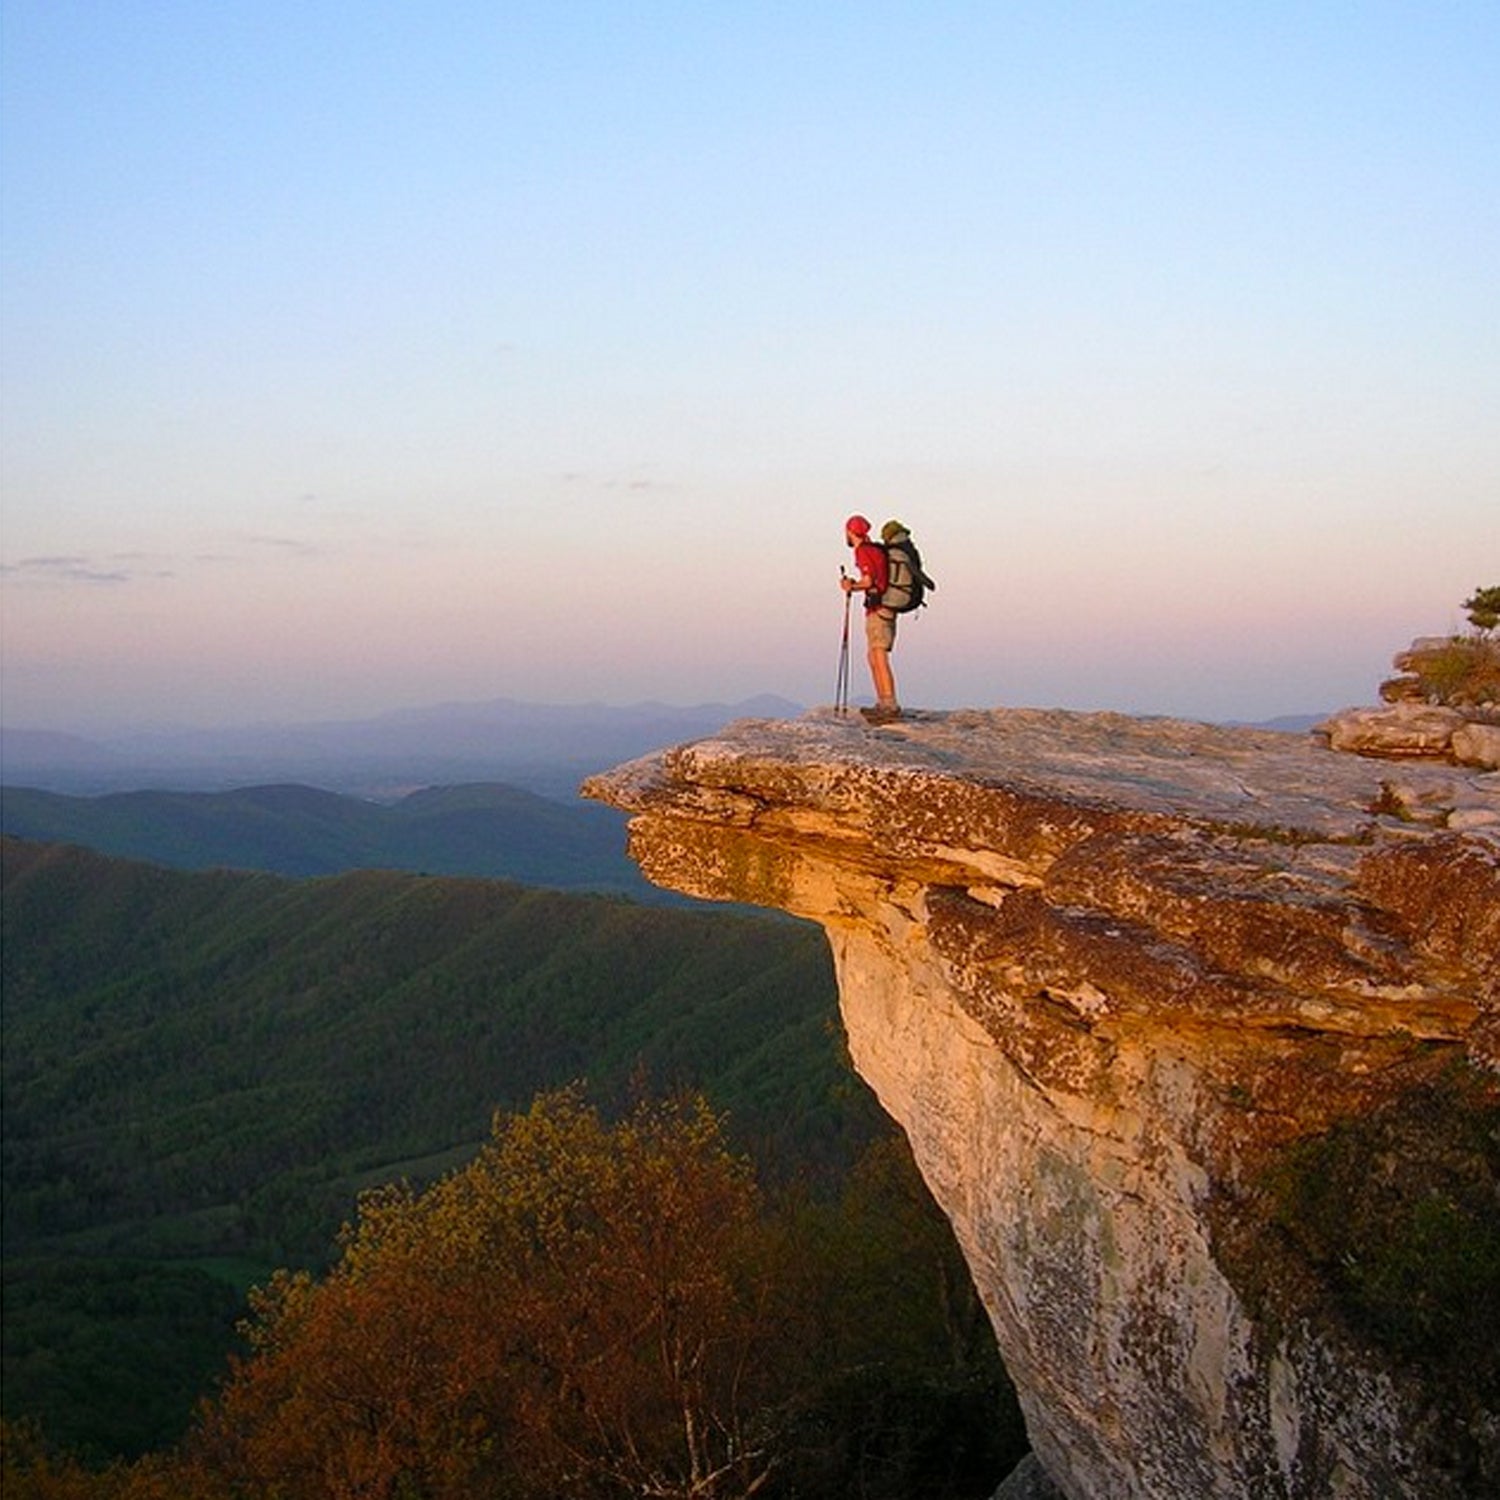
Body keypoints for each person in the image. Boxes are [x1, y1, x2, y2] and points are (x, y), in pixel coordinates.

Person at [841, 514, 901, 722]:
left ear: (850, 532)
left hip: (879, 609)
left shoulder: (863, 551)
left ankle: (889, 704)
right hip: (884, 608)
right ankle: (884, 702)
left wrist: (852, 586)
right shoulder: (874, 550)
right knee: (874, 655)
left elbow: (868, 580)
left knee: (878, 655)